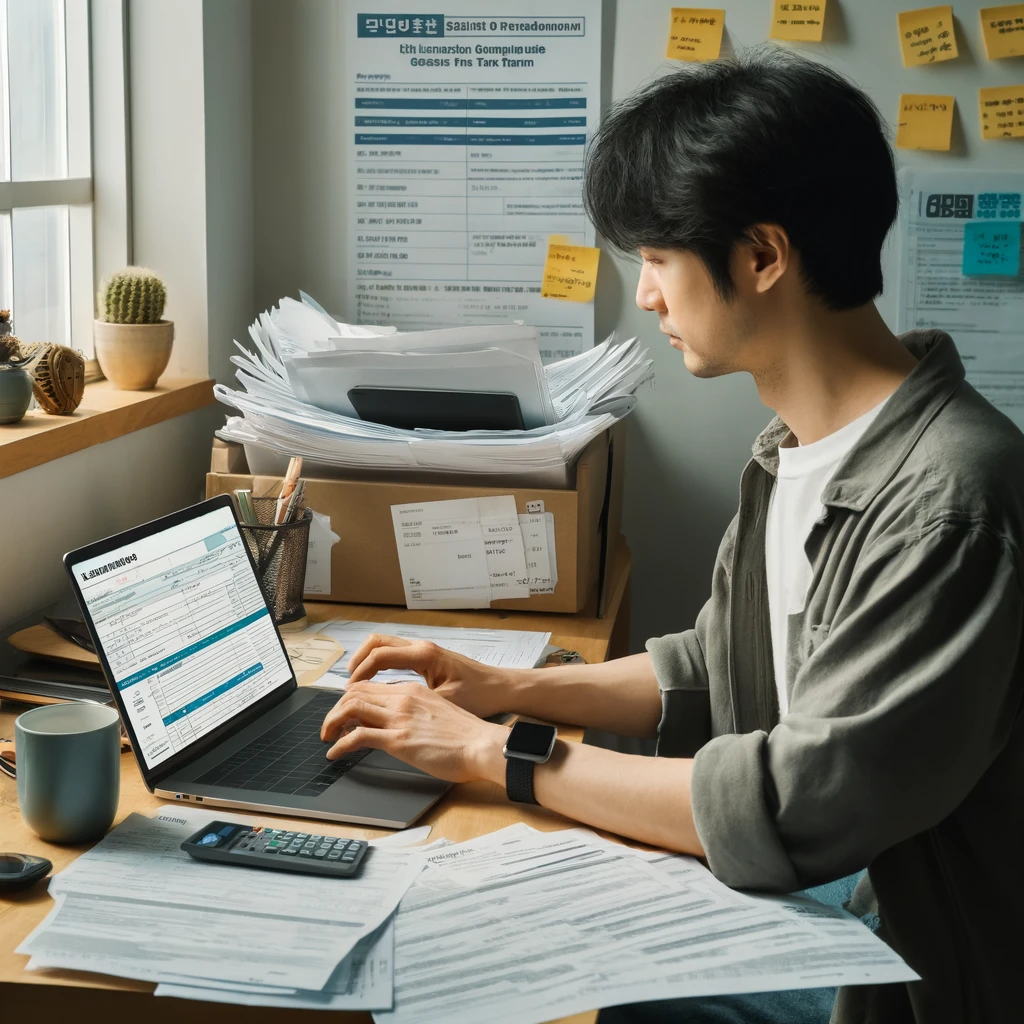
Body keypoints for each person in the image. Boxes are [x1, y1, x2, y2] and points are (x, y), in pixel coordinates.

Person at [321, 49, 1024, 1023]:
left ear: (763, 257)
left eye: (656, 261)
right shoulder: (797, 449)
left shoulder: (947, 499)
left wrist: (499, 752)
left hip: (897, 961)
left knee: (513, 979)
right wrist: (506, 687)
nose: (646, 298)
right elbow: (717, 660)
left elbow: (795, 803)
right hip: (820, 892)